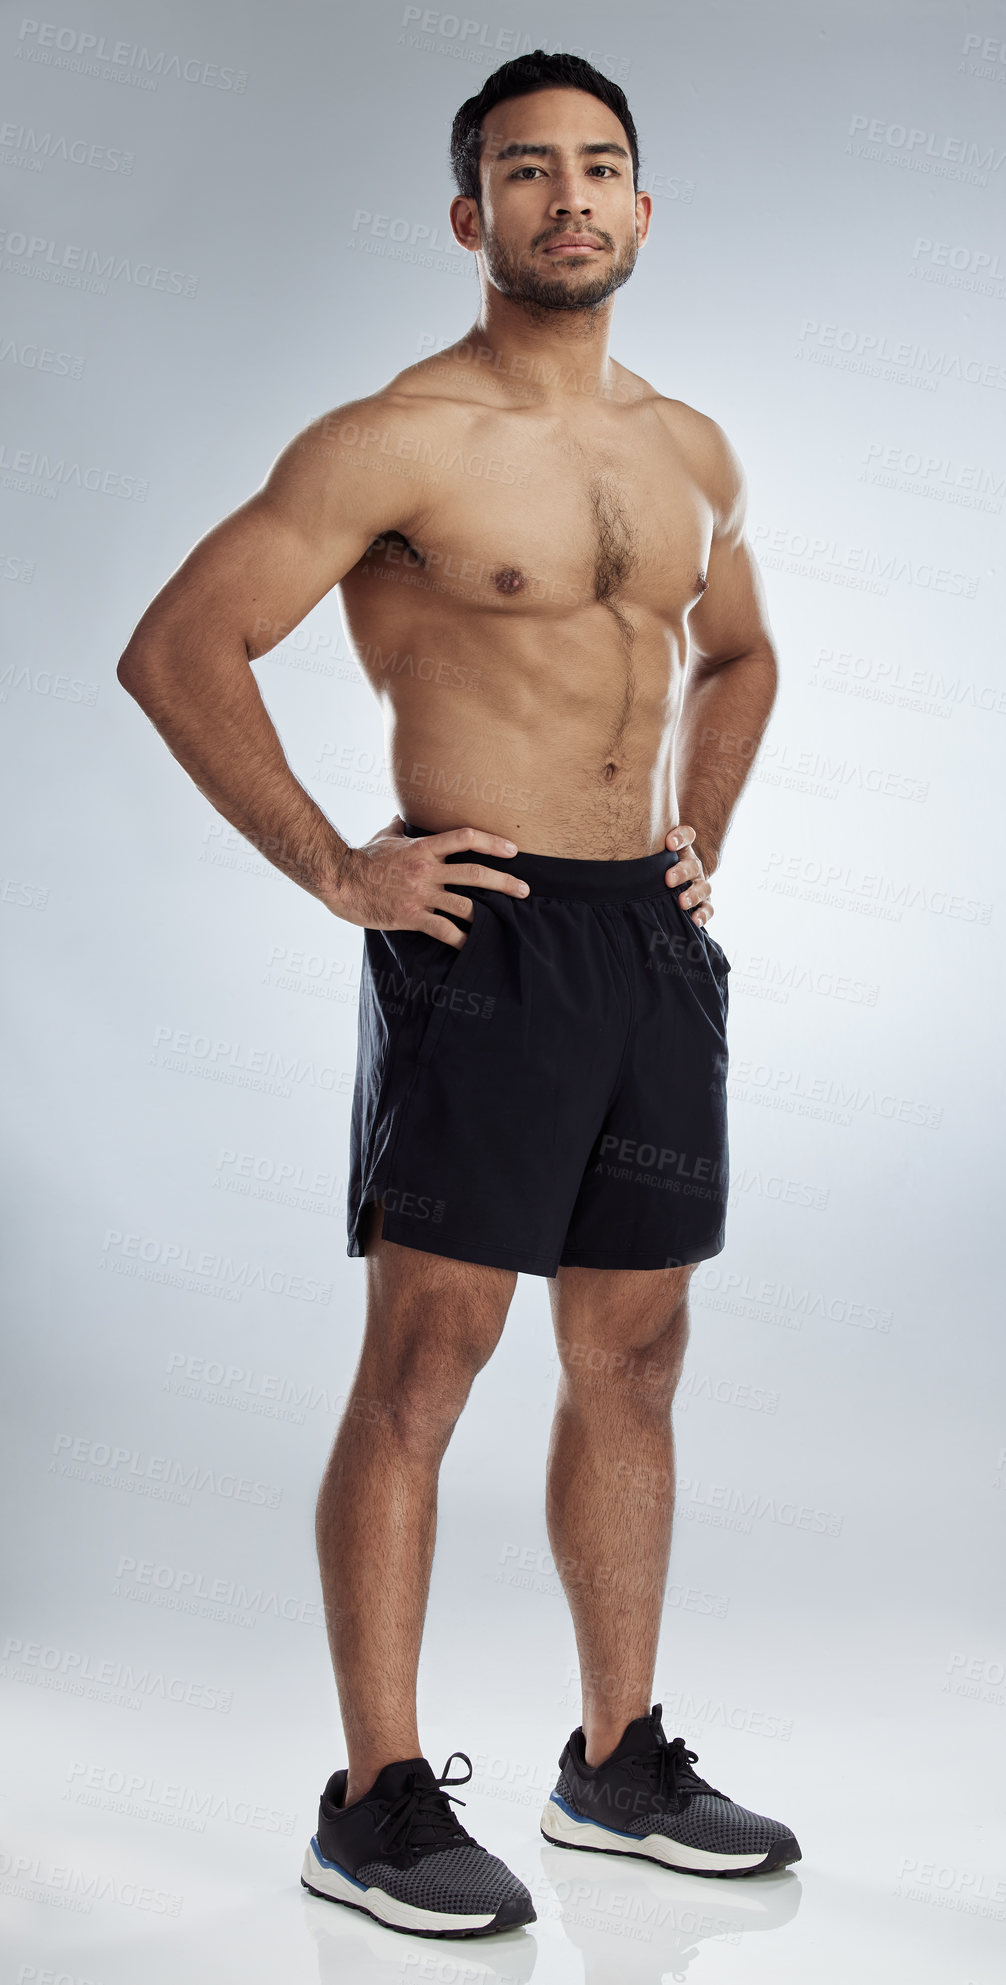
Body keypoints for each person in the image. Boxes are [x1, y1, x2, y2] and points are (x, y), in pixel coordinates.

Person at [117, 49, 799, 1943]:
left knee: (636, 1356)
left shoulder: (691, 450)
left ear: (644, 207)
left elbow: (736, 658)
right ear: (469, 216)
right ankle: (373, 1797)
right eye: (524, 170)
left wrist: (700, 836)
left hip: (643, 943)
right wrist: (343, 866)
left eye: (598, 167)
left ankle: (616, 1758)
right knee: (429, 1362)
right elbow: (178, 647)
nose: (566, 196)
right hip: (475, 933)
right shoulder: (391, 439)